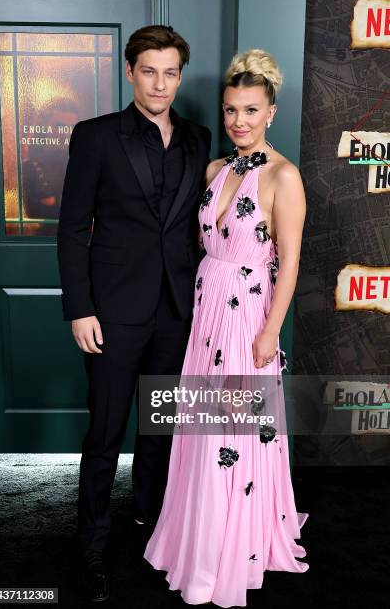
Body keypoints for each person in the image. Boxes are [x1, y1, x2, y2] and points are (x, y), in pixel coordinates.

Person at [144, 48, 309, 607]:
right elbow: (202, 243)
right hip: (206, 314)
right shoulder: (216, 169)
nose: (239, 121)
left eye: (250, 110)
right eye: (231, 110)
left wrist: (271, 332)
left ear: (271, 112)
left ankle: (229, 547)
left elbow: (289, 264)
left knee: (232, 435)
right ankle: (198, 534)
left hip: (248, 317)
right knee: (201, 430)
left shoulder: (284, 177)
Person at [56, 25, 211, 603]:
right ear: (130, 72)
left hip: (178, 312)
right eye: (150, 71)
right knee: (104, 435)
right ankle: (91, 549)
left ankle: (153, 528)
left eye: (171, 73)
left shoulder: (198, 138)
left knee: (161, 430)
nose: (161, 84)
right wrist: (80, 309)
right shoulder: (95, 137)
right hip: (113, 314)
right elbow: (72, 230)